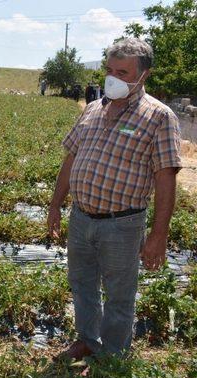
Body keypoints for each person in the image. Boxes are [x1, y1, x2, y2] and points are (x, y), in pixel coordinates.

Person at [47, 38, 182, 359]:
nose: (113, 78)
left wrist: (159, 235)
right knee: (82, 286)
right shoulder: (93, 109)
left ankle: (112, 356)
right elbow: (70, 159)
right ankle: (87, 341)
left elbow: (166, 178)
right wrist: (55, 205)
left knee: (120, 296)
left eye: (122, 72)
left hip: (122, 225)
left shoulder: (159, 117)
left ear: (143, 75)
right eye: (110, 70)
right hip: (81, 218)